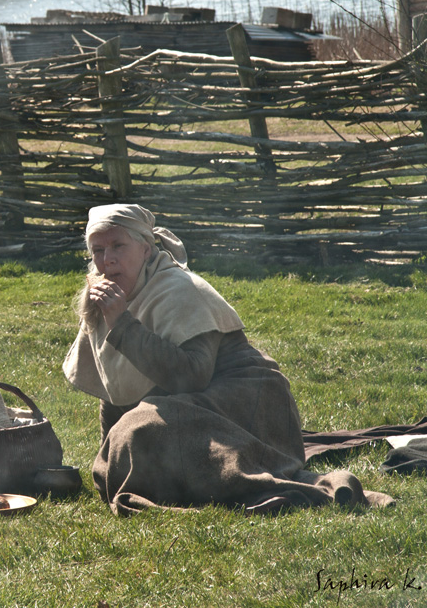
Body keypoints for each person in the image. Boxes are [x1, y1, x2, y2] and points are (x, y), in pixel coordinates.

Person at [62, 204, 392, 515]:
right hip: (187, 405)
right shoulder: (111, 298)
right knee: (135, 431)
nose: (107, 261)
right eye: (98, 251)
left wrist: (123, 325)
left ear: (145, 248)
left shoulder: (179, 290)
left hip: (247, 399)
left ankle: (279, 487)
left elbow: (191, 377)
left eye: (118, 246)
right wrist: (107, 458)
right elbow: (116, 388)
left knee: (141, 429)